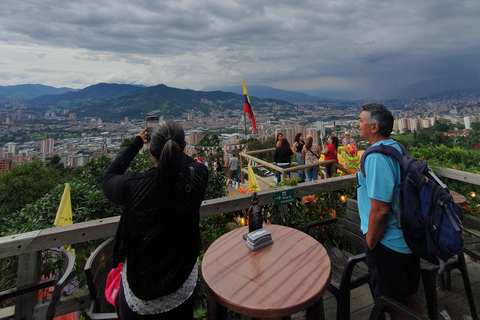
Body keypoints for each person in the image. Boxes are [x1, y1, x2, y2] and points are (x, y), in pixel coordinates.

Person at [101, 121, 208, 319]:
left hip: (140, 298)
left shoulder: (132, 186)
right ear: (184, 147)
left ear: (151, 152)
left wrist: (136, 143)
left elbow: (108, 177)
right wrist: (174, 145)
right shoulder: (198, 177)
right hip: (182, 288)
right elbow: (192, 164)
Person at [356, 103, 421, 318]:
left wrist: (371, 241)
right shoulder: (397, 147)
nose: (358, 124)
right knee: (409, 296)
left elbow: (381, 209)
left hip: (388, 244)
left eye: (361, 120)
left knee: (392, 304)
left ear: (374, 127)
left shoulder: (376, 157)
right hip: (408, 238)